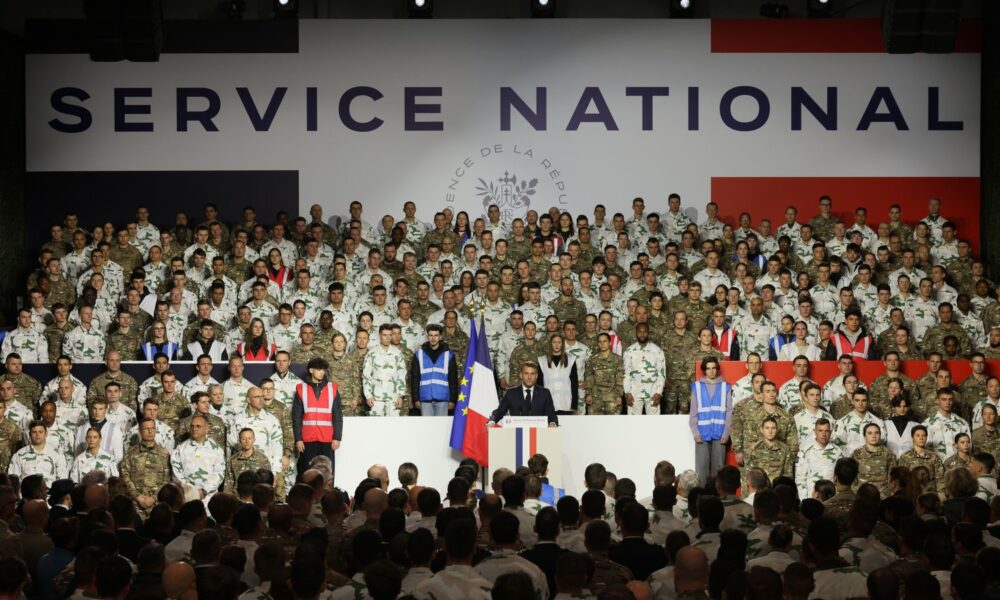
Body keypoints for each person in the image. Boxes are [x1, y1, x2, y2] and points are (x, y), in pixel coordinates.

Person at [293, 357, 344, 478]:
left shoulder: (333, 388)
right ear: (311, 370)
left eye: (323, 370)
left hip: (327, 439)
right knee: (307, 472)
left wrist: (337, 437)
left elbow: (337, 415)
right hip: (307, 439)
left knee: (327, 473)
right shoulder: (301, 389)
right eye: (319, 369)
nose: (322, 372)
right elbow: (297, 416)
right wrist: (298, 439)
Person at [689, 357, 732, 485]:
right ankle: (700, 499)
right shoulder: (696, 387)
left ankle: (717, 499)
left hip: (720, 435)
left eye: (714, 368)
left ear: (717, 369)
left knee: (718, 472)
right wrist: (695, 433)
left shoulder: (726, 387)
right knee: (701, 471)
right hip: (701, 435)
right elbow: (693, 412)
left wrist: (726, 433)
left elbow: (729, 411)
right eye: (708, 368)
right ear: (704, 370)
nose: (711, 371)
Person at [409, 324, 459, 416]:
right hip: (425, 398)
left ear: (440, 336)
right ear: (427, 336)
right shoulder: (419, 354)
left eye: (436, 335)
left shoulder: (449, 354)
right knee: (427, 428)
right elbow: (415, 378)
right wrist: (416, 399)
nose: (433, 338)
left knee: (441, 428)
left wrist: (452, 399)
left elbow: (453, 379)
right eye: (431, 335)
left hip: (443, 397)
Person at [487, 362, 558, 427]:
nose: (529, 377)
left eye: (532, 374)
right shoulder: (511, 393)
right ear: (521, 375)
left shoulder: (545, 393)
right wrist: (491, 421)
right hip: (517, 435)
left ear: (536, 376)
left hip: (538, 435)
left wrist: (552, 423)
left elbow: (552, 415)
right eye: (526, 373)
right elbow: (499, 412)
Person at [537, 334, 579, 415]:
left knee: (566, 427)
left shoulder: (571, 359)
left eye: (559, 342)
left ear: (562, 344)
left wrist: (574, 404)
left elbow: (574, 383)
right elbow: (540, 384)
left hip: (566, 403)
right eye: (554, 342)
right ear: (550, 344)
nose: (556, 345)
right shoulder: (542, 360)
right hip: (548, 403)